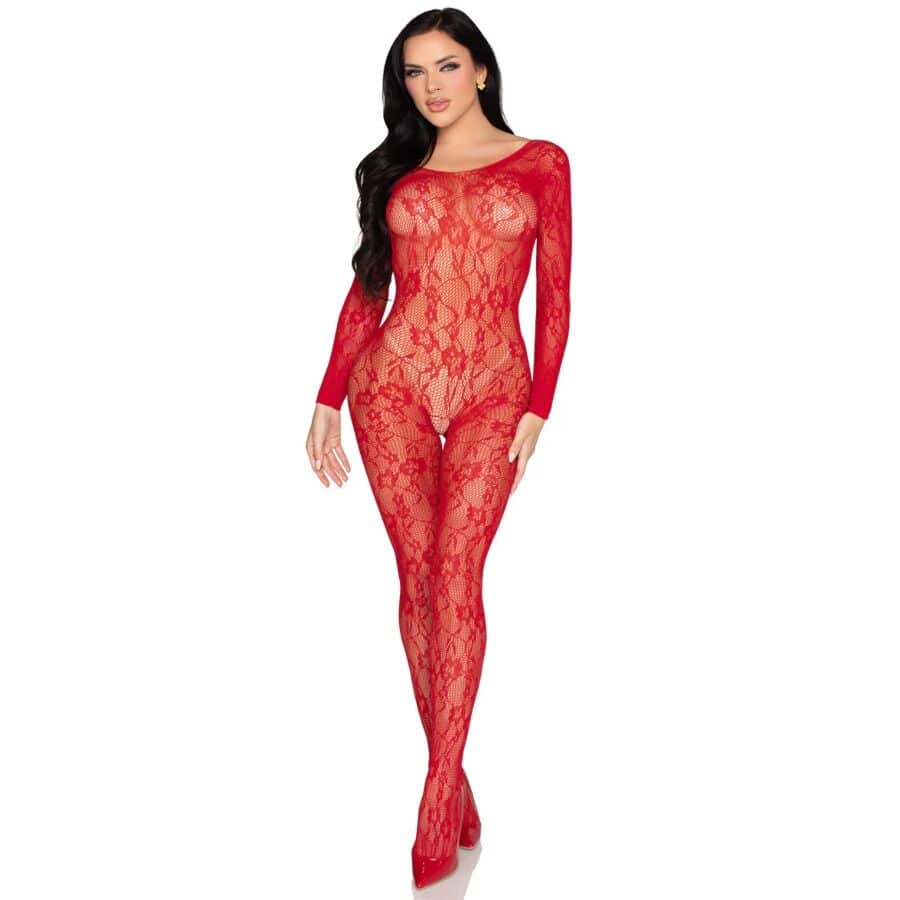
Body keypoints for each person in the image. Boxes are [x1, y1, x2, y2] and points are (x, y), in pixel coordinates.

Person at [305, 9, 571, 891]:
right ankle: (452, 783)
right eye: (415, 73)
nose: (431, 87)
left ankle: (434, 790)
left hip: (496, 388)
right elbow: (368, 289)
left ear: (482, 70)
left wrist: (541, 405)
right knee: (419, 575)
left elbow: (558, 295)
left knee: (458, 574)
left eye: (447, 66)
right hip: (394, 384)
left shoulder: (543, 163)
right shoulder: (397, 167)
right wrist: (327, 395)